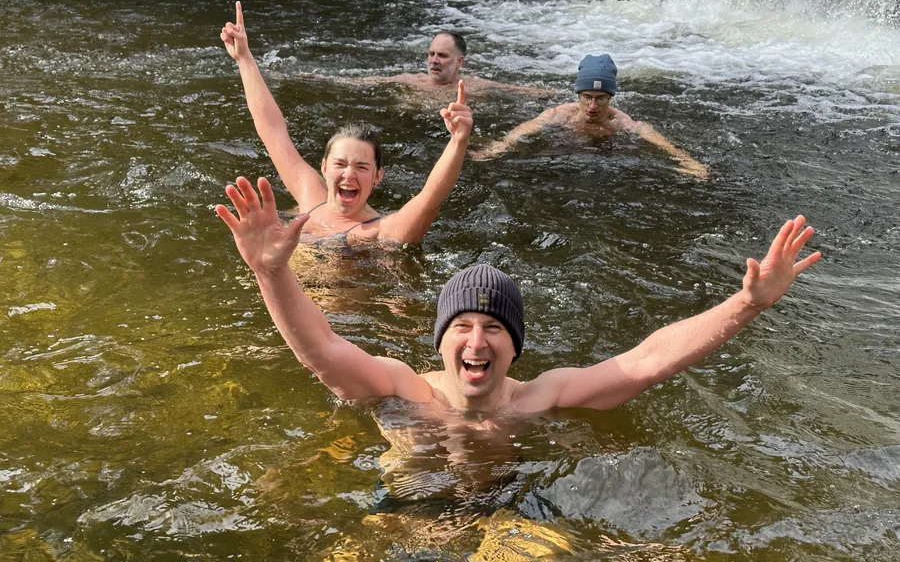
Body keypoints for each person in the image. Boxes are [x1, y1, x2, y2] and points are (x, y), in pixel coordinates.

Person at [216, 175, 822, 416]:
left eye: (494, 329)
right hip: (404, 518)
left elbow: (646, 360)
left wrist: (748, 304)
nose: (477, 341)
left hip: (510, 516)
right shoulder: (406, 388)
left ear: (514, 348)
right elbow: (319, 350)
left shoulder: (541, 397)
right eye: (462, 327)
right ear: (441, 339)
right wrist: (271, 272)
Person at [220, 2, 473, 245]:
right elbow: (272, 130)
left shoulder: (382, 232)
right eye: (340, 164)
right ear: (324, 168)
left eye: (362, 167)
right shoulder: (310, 197)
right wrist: (244, 59)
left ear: (377, 177)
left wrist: (458, 140)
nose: (348, 174)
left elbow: (430, 199)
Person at [471, 54, 710, 179]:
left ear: (611, 98)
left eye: (601, 98)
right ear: (578, 94)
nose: (593, 105)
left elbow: (661, 143)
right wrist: (497, 148)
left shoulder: (621, 122)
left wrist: (690, 163)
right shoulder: (559, 114)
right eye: (587, 97)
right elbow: (524, 129)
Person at [361, 30, 556, 97]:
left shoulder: (472, 86)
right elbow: (372, 81)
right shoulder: (412, 80)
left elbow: (515, 90)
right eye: (431, 54)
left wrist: (552, 95)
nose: (434, 61)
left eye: (442, 55)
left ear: (459, 61)